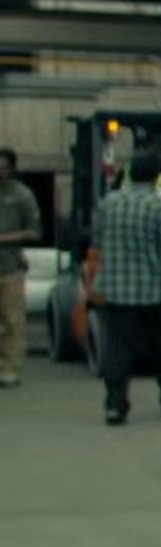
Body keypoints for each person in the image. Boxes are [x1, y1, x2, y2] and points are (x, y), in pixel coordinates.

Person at [89, 147, 161, 425]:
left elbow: (96, 249)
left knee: (117, 350)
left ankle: (115, 405)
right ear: (157, 178)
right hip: (153, 291)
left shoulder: (108, 204)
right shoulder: (160, 207)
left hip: (116, 291)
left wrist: (94, 284)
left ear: (130, 174)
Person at [0, 146, 39, 390]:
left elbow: (35, 231)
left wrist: (4, 239)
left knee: (13, 320)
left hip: (10, 267)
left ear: (12, 169)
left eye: (3, 168)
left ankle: (10, 369)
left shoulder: (22, 195)